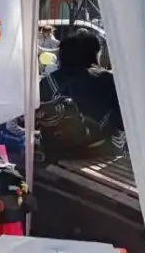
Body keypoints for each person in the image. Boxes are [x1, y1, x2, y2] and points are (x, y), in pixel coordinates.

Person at [37, 29, 125, 161]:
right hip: (98, 155)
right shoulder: (106, 79)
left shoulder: (47, 81)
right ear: (94, 53)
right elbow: (122, 121)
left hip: (54, 153)